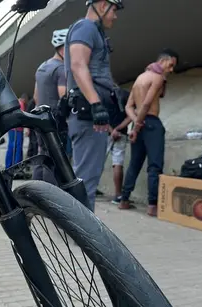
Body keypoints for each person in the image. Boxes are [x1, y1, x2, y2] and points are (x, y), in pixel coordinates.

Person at [65, 0, 124, 212]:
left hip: (89, 114)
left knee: (85, 177)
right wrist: (96, 105)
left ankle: (80, 228)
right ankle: (84, 236)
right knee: (86, 181)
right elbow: (78, 65)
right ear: (101, 5)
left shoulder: (92, 31)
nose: (115, 16)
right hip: (88, 115)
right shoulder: (86, 27)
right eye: (114, 10)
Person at [118, 49, 179, 216]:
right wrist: (138, 125)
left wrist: (136, 124)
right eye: (171, 64)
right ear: (163, 60)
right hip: (151, 123)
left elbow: (129, 106)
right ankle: (153, 205)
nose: (171, 69)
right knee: (154, 165)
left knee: (134, 164)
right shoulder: (157, 78)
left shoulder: (139, 78)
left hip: (139, 123)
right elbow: (146, 104)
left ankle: (124, 199)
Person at [32, 28, 69, 185]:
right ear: (62, 49)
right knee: (54, 158)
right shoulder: (61, 69)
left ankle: (35, 192)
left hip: (39, 116)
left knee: (42, 155)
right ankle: (50, 197)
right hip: (55, 119)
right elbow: (64, 96)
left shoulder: (42, 67)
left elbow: (35, 96)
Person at [108, 86, 130, 204]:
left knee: (96, 163)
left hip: (104, 132)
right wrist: (118, 129)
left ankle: (90, 189)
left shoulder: (103, 94)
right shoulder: (126, 94)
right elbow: (131, 114)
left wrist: (112, 131)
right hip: (121, 133)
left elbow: (101, 115)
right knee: (118, 164)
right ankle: (118, 195)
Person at [5, 94, 27, 169]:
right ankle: (16, 166)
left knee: (10, 146)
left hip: (11, 129)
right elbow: (21, 117)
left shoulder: (14, 102)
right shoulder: (21, 104)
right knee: (18, 148)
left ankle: (8, 165)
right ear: (24, 99)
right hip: (18, 129)